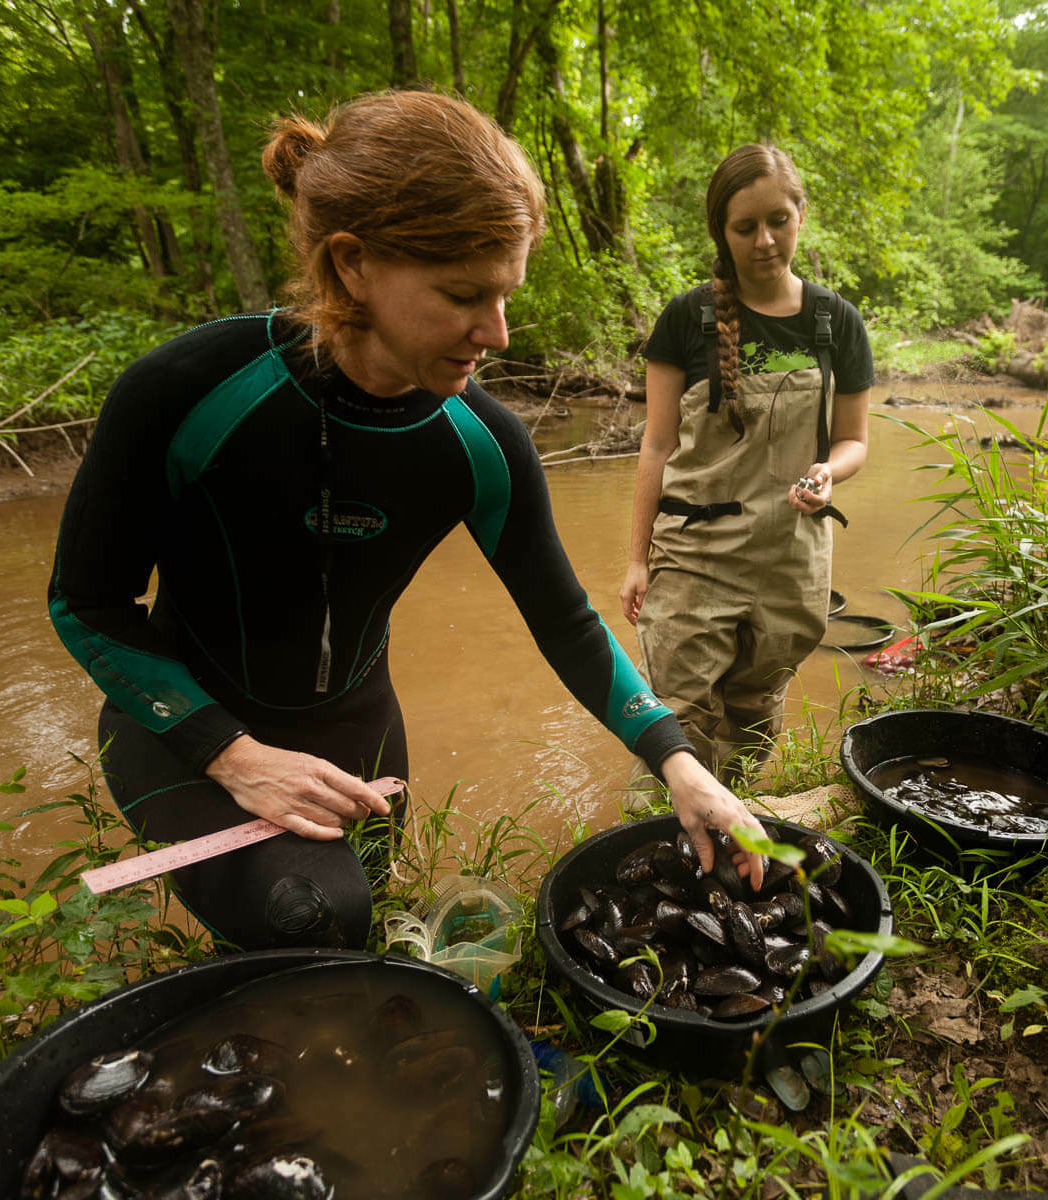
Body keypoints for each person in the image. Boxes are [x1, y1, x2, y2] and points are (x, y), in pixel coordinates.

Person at [48, 90, 762, 954]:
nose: (495, 333)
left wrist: (679, 763)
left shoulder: (478, 443)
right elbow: (87, 605)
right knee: (314, 915)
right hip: (182, 720)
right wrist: (234, 756)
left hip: (356, 722)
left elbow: (567, 621)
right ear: (352, 265)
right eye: (464, 295)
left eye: (507, 296)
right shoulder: (187, 389)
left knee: (364, 916)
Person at [620, 144, 873, 784]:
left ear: (801, 216)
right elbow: (655, 445)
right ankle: (658, 836)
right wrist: (636, 558)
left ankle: (730, 836)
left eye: (778, 221)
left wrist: (827, 473)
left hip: (791, 560)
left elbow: (854, 441)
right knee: (674, 722)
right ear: (721, 232)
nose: (764, 241)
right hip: (694, 553)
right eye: (744, 227)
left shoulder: (835, 322)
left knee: (753, 716)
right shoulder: (686, 319)